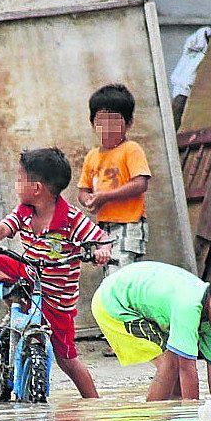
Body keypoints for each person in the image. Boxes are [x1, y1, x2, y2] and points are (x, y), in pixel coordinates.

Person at [0, 148, 112, 399]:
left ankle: (93, 404)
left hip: (58, 300)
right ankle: (16, 293)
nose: (16, 184)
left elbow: (101, 239)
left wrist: (102, 251)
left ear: (36, 188)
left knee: (68, 360)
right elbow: (4, 227)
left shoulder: (71, 219)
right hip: (28, 274)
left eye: (20, 179)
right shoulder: (24, 210)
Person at [92, 262, 211, 401]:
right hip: (114, 304)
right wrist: (192, 416)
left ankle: (170, 418)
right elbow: (187, 368)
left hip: (138, 301)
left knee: (174, 366)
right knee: (171, 365)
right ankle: (153, 417)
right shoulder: (189, 307)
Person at [77, 84, 151, 278]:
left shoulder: (131, 149)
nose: (108, 128)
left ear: (129, 123)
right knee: (112, 273)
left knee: (119, 275)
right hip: (104, 228)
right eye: (102, 121)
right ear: (93, 123)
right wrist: (89, 200)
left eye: (115, 121)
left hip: (129, 223)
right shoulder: (92, 156)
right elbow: (83, 190)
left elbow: (141, 183)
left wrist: (105, 196)